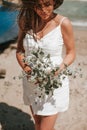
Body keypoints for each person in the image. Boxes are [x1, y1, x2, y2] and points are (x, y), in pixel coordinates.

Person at [16, 0, 76, 130]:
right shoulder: (26, 22)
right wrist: (28, 70)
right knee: (37, 123)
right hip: (31, 82)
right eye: (38, 6)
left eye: (47, 4)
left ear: (55, 2)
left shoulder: (63, 23)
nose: (43, 10)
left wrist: (56, 71)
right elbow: (20, 51)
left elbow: (71, 53)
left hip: (53, 83)